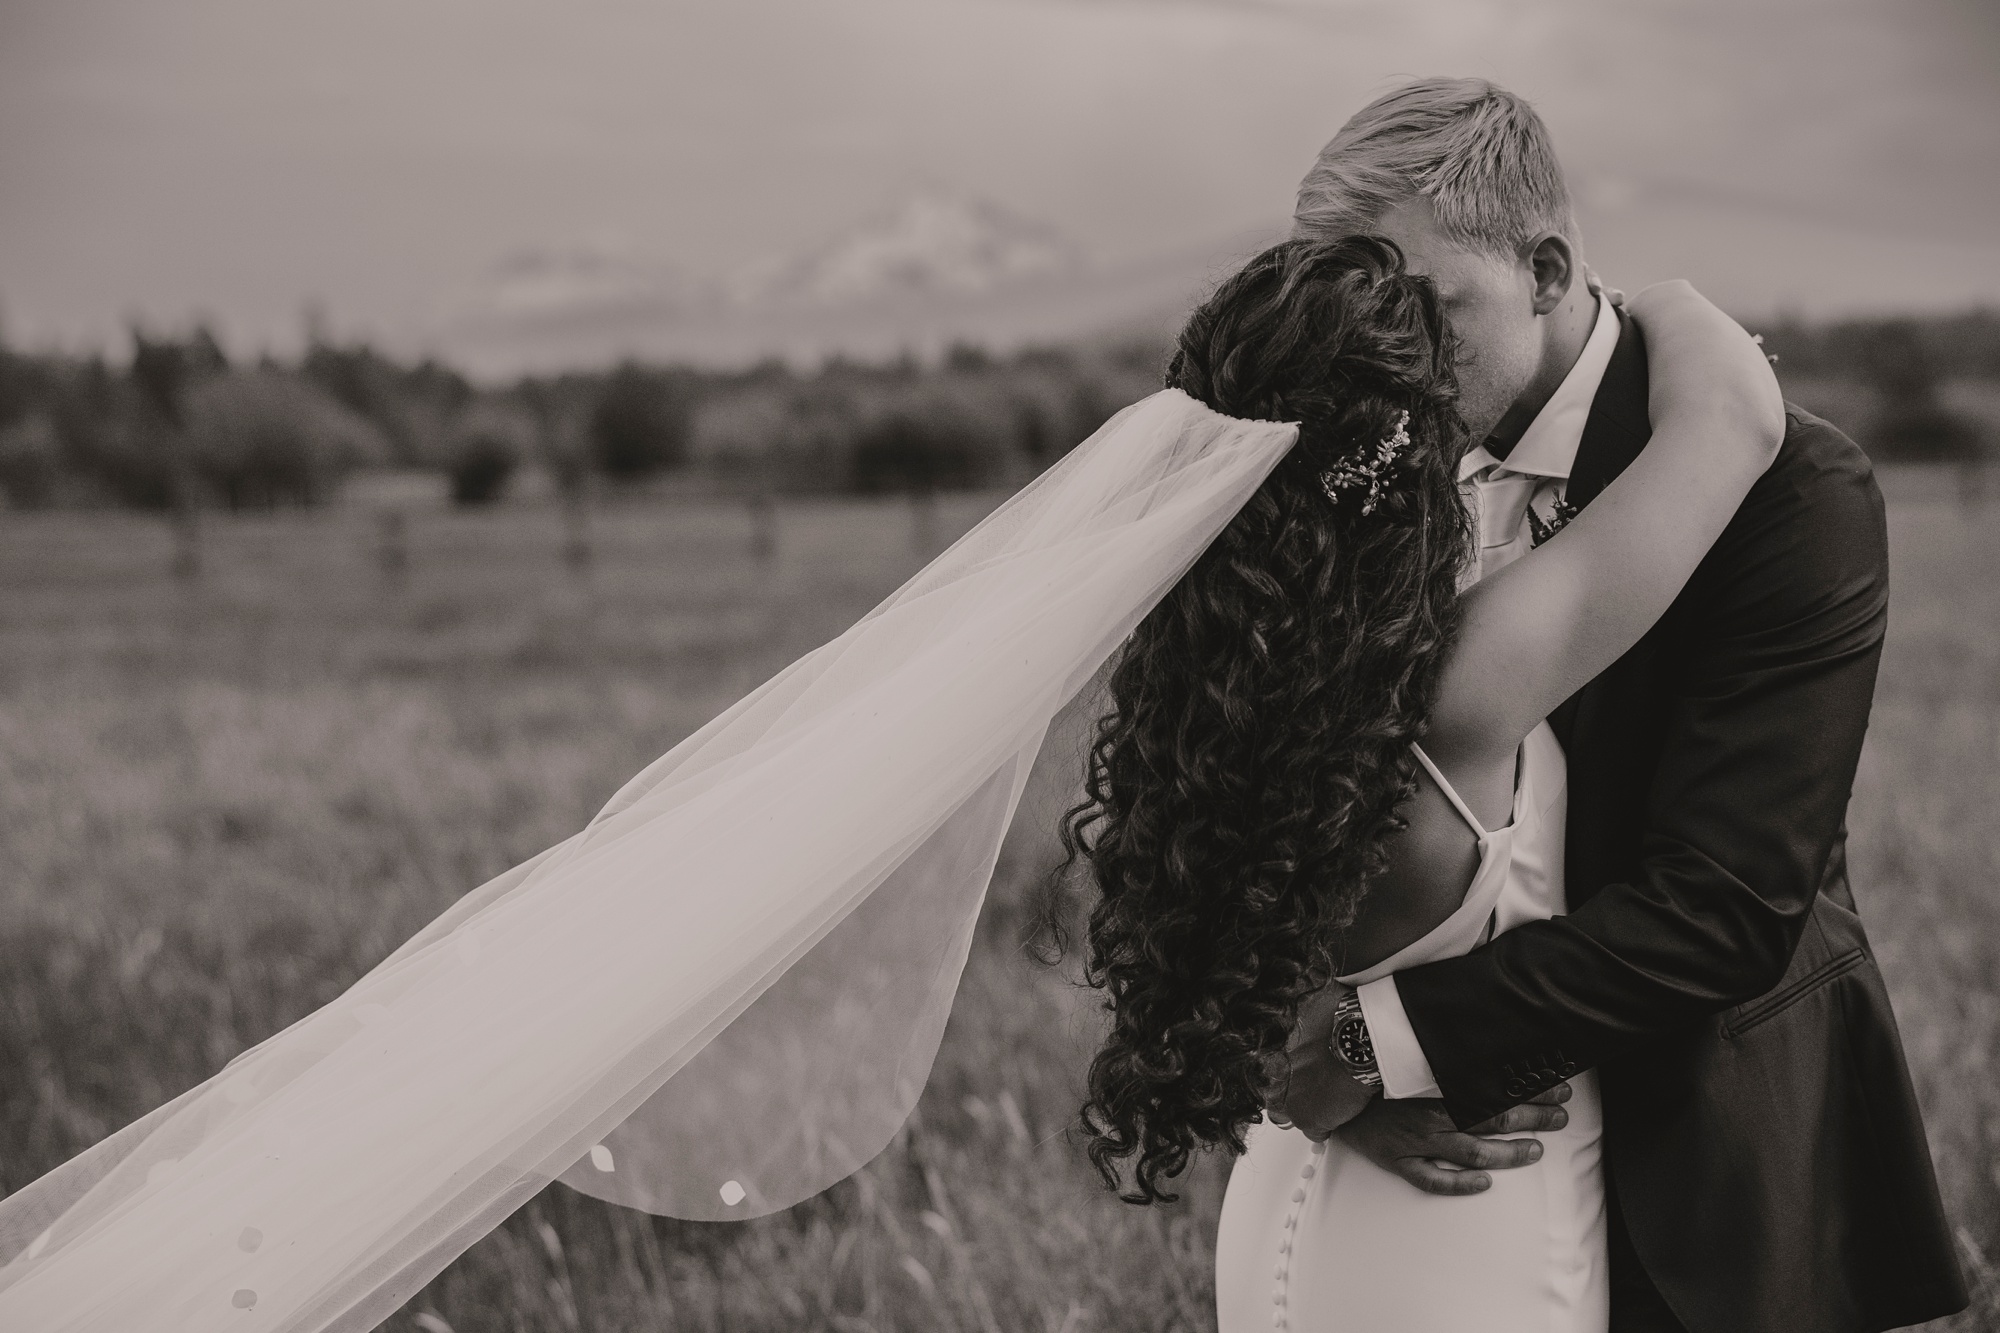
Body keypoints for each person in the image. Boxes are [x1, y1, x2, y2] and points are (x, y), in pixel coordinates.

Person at [1223, 79, 1964, 1333]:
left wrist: (1367, 1040)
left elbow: (1726, 906)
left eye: (1420, 307)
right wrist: (1308, 1067)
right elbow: (1237, 805)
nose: (1379, 358)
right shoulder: (1348, 478)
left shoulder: (1788, 487)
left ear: (1547, 266)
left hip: (1707, 1153)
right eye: (1353, 306)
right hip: (1438, 1187)